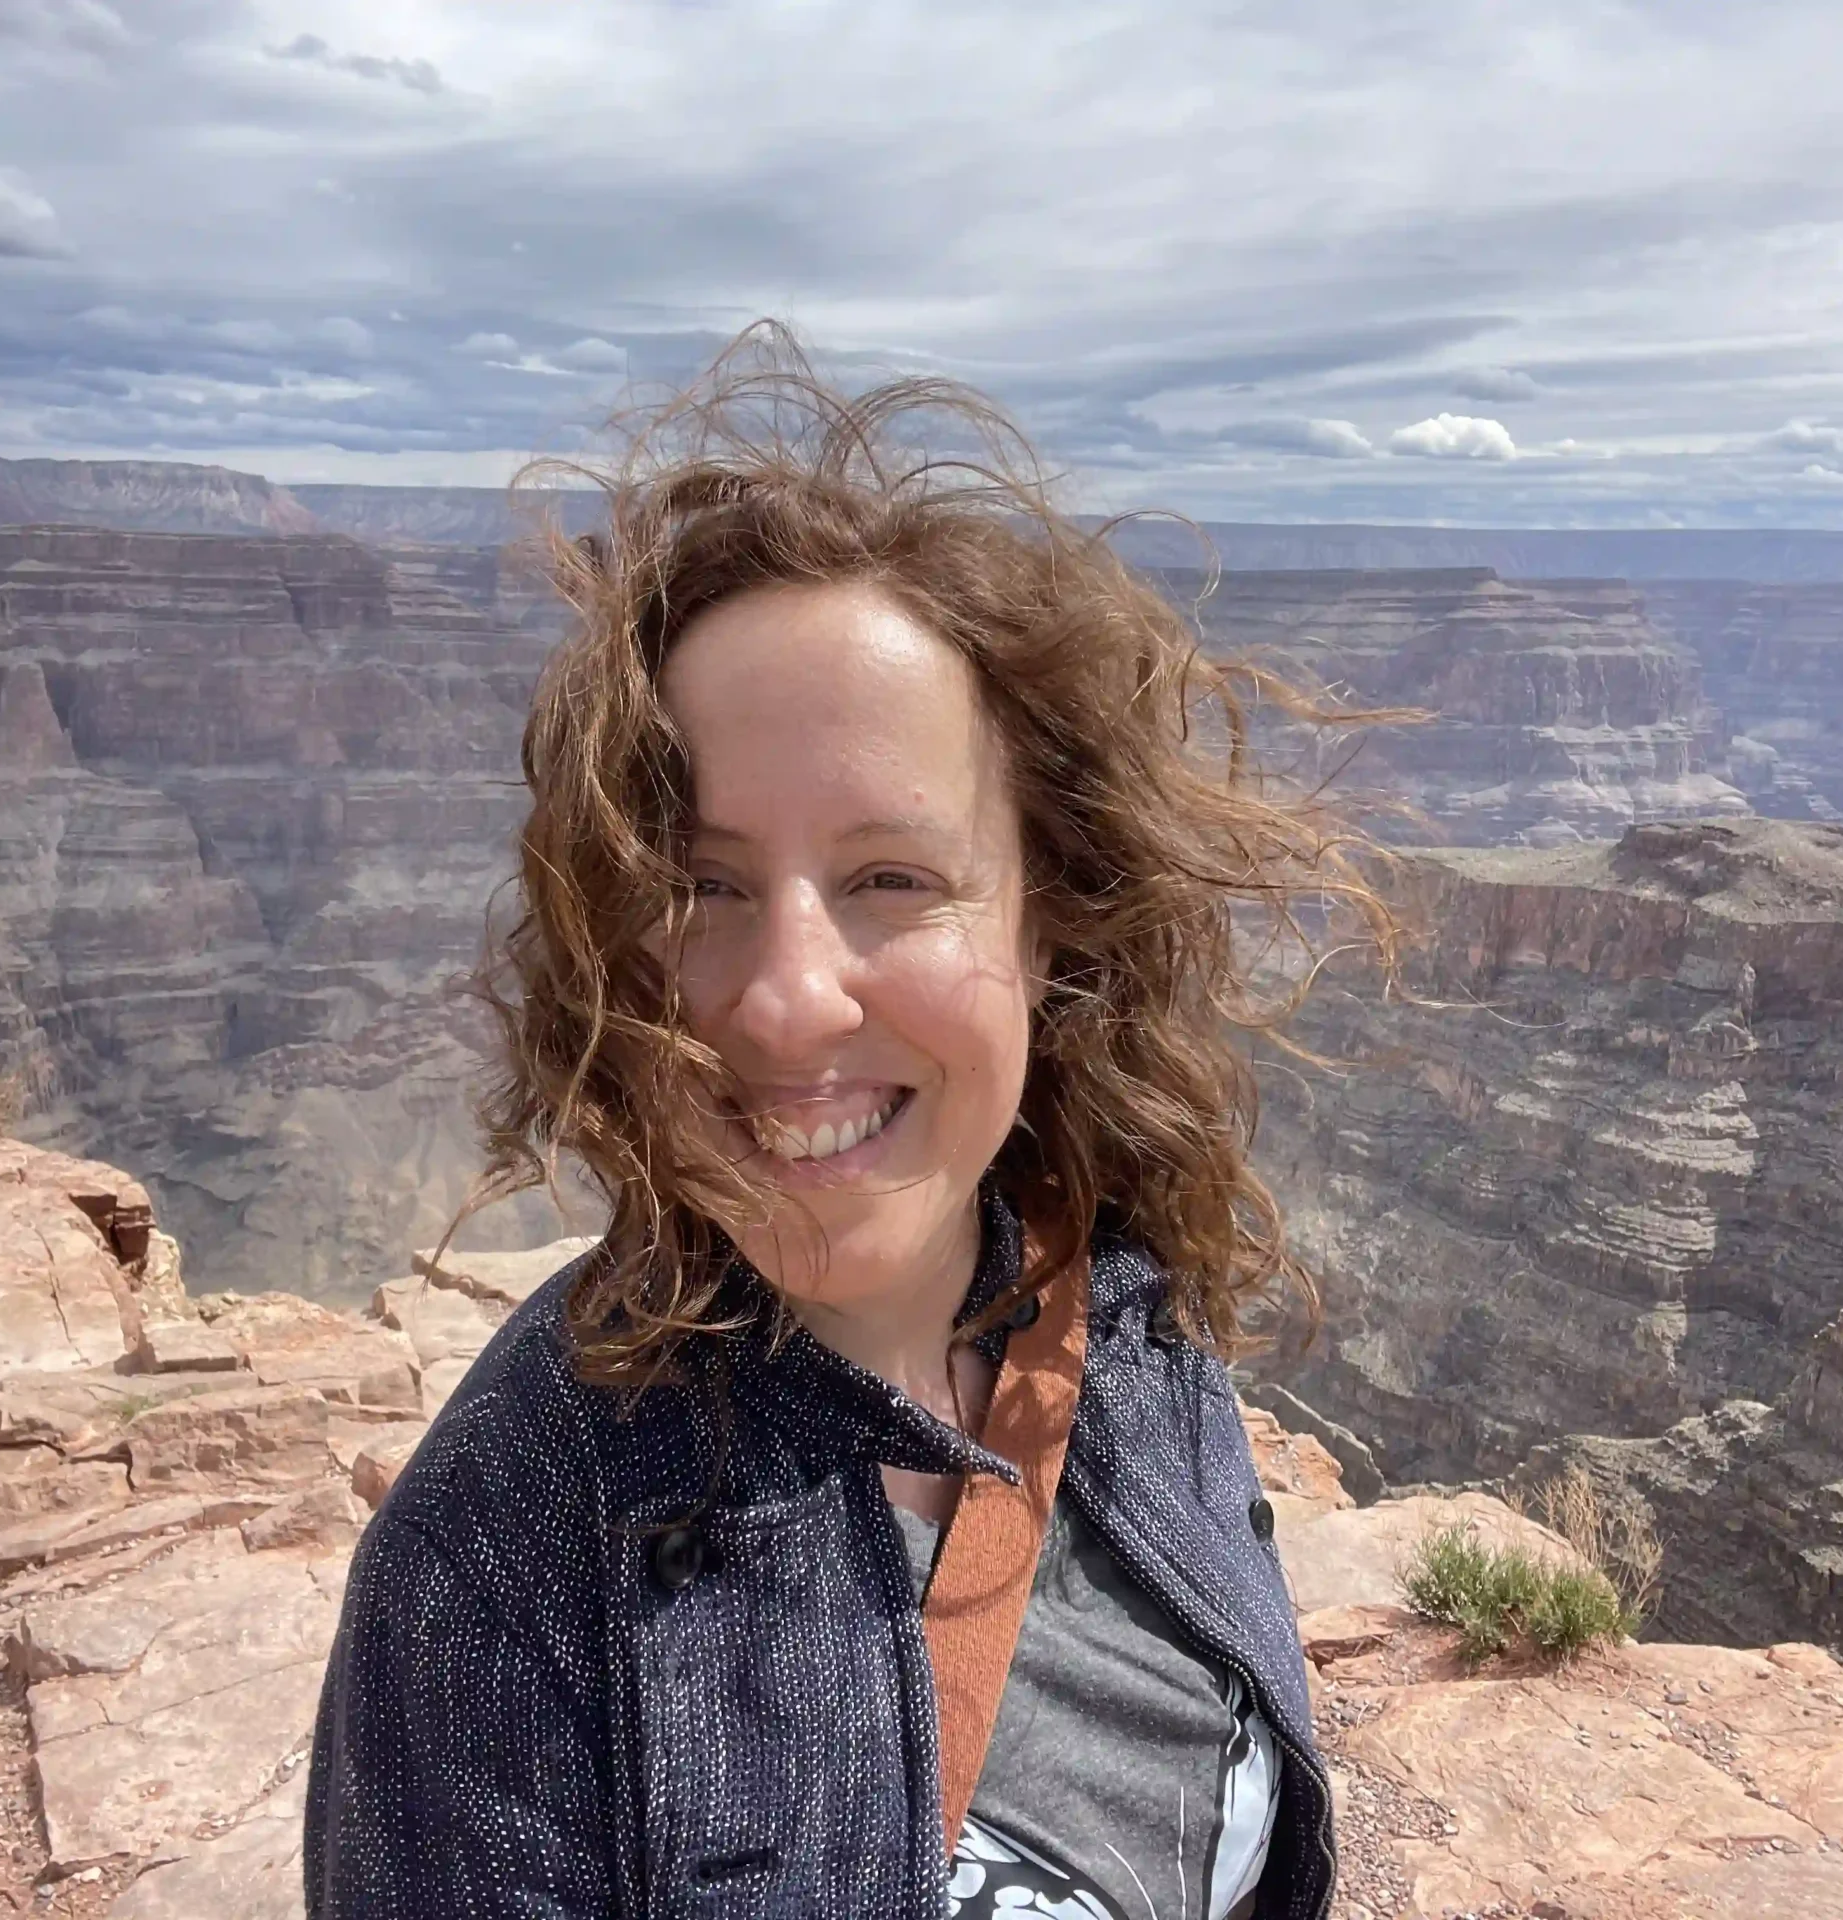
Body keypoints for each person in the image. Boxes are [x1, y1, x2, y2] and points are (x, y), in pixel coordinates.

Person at [304, 324, 1395, 1920]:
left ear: (1048, 922)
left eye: (894, 878)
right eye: (701, 885)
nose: (789, 999)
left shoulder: (1140, 1343)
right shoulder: (501, 1560)